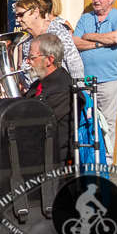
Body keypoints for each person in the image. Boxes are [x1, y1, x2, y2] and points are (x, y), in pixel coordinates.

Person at [72, 0, 117, 162]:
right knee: (85, 121)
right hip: (84, 80)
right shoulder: (85, 18)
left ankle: (106, 161)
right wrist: (101, 43)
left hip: (108, 80)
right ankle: (88, 158)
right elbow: (74, 42)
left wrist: (89, 36)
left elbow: (116, 37)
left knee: (108, 123)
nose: (96, 1)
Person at [21, 33, 74, 162]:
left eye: (32, 57)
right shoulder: (38, 83)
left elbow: (37, 120)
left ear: (49, 60)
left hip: (51, 159)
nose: (27, 62)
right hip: (34, 149)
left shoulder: (64, 89)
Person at [15, 0, 84, 83]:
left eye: (21, 15)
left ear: (36, 12)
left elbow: (74, 63)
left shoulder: (57, 31)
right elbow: (24, 64)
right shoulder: (26, 37)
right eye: (16, 16)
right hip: (35, 92)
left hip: (59, 91)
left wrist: (78, 91)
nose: (18, 19)